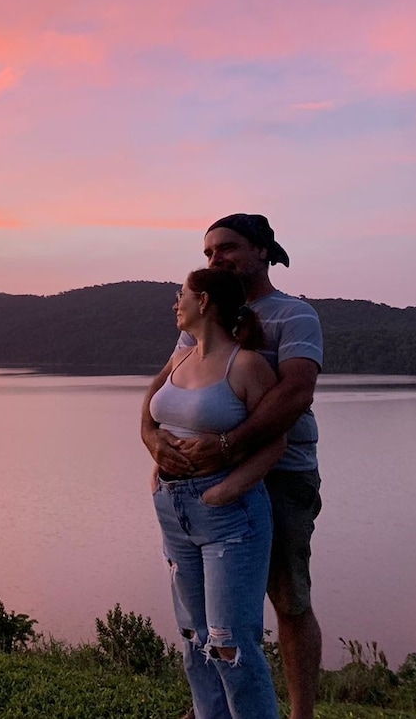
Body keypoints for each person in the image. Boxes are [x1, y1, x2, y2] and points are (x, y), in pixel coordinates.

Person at [142, 214, 323, 719]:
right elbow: (167, 384)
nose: (216, 258)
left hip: (283, 473)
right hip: (204, 486)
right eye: (209, 253)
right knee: (204, 616)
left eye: (228, 248)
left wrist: (228, 446)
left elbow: (294, 393)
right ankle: (212, 706)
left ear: (264, 251)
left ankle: (300, 713)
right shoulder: (208, 320)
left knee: (288, 601)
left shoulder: (294, 315)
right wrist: (152, 440)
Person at [149, 268, 283, 718]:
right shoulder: (181, 359)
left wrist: (224, 492)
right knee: (193, 637)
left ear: (204, 302)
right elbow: (158, 420)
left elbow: (275, 440)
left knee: (230, 644)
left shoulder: (246, 365)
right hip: (173, 509)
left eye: (180, 295)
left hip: (229, 517)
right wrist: (156, 467)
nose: (175, 303)